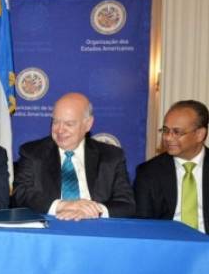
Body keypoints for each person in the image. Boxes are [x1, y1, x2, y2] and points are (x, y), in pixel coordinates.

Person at [13, 92, 135, 220]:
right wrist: (63, 205)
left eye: (69, 124)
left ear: (88, 124)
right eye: (55, 122)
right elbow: (20, 195)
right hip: (52, 226)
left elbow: (127, 204)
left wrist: (93, 210)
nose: (60, 130)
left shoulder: (111, 156)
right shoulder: (32, 152)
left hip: (95, 228)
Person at [134, 100, 209, 233]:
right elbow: (142, 225)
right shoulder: (148, 172)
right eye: (165, 130)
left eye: (177, 132)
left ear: (200, 134)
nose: (168, 138)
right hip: (168, 246)